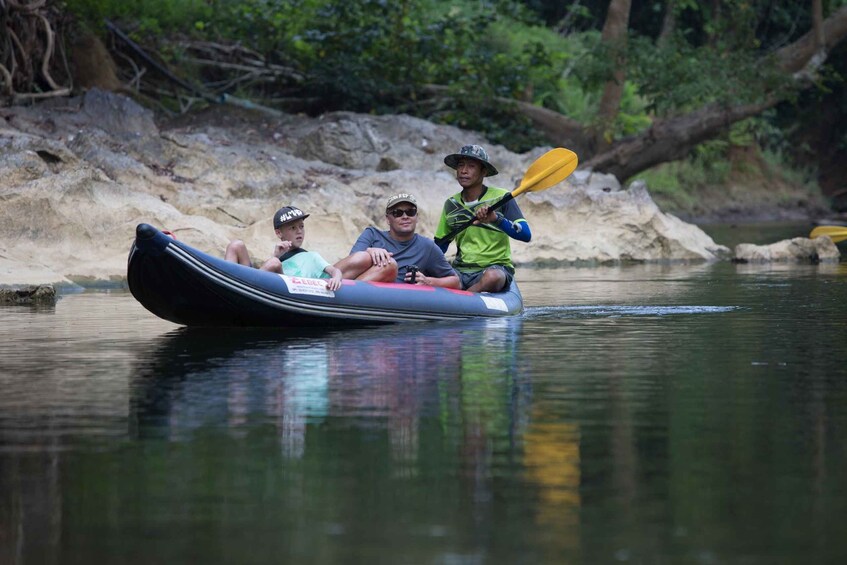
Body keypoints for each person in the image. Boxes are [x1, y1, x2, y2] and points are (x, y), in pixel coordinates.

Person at [434, 144, 531, 293]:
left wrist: (496, 219)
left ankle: (465, 296)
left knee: (493, 277)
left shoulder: (502, 198)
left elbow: (526, 234)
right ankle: (464, 293)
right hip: (460, 269)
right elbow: (440, 245)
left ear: (483, 172)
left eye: (471, 166)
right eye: (460, 165)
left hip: (494, 268)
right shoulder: (451, 204)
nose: (464, 171)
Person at [334, 193, 460, 288]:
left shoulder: (427, 247)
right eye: (397, 213)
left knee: (389, 265)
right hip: (355, 284)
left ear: (417, 217)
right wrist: (370, 251)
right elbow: (350, 265)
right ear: (388, 219)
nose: (405, 217)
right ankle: (327, 288)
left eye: (410, 212)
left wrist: (428, 281)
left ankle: (344, 294)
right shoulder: (371, 234)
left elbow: (455, 281)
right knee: (364, 257)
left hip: (391, 299)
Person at [225, 206, 343, 291]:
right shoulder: (278, 256)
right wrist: (276, 256)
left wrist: (336, 278)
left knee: (274, 263)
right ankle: (227, 285)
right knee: (236, 245)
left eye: (301, 226)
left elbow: (335, 271)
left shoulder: (312, 256)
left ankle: (241, 288)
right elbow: (268, 274)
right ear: (279, 233)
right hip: (262, 285)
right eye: (292, 228)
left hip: (288, 291)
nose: (299, 231)